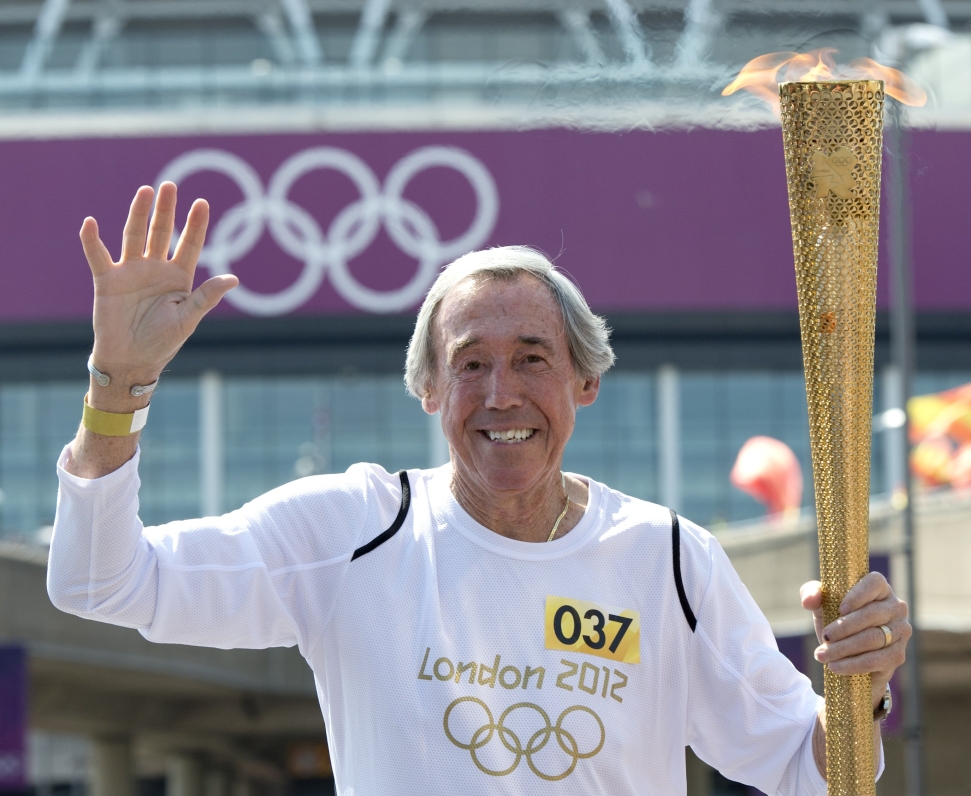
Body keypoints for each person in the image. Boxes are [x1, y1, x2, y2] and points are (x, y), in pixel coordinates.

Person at [48, 183, 910, 795]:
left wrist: (860, 686)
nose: (502, 395)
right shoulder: (351, 532)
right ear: (429, 391)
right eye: (470, 366)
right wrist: (116, 386)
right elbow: (100, 582)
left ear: (584, 381)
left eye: (532, 359)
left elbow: (813, 773)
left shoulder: (671, 560)